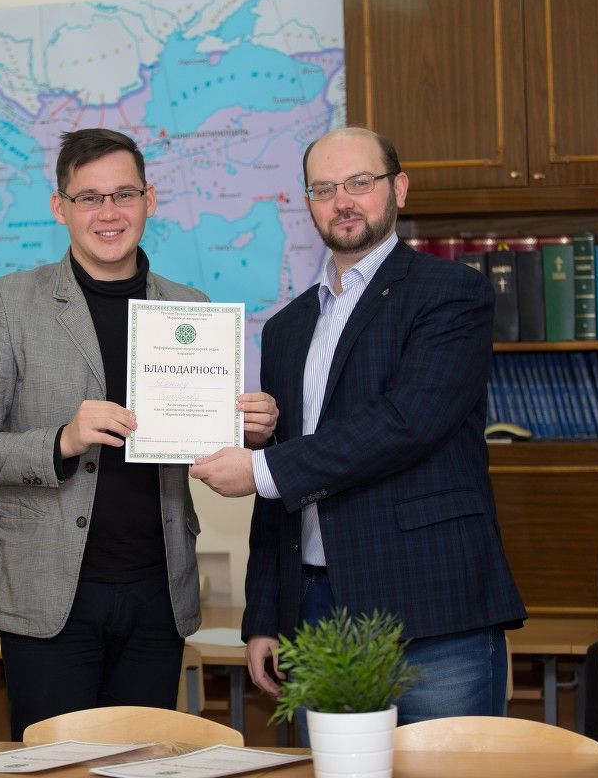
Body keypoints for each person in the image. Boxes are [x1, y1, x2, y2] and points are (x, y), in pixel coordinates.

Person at [0, 128, 278, 741]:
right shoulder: (10, 304)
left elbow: (205, 439)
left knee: (145, 765)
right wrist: (61, 441)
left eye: (123, 194)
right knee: (56, 765)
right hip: (46, 595)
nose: (108, 212)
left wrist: (251, 429)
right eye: (89, 197)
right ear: (59, 207)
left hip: (158, 594)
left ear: (150, 200)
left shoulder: (190, 308)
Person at [190, 126, 526, 725]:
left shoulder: (452, 294)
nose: (341, 201)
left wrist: (264, 467)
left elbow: (408, 422)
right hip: (315, 607)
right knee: (329, 768)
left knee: (448, 770)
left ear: (399, 188)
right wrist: (265, 615)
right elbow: (282, 490)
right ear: (308, 203)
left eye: (359, 183)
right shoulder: (287, 328)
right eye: (323, 189)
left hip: (431, 602)